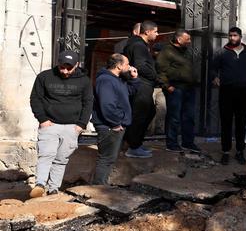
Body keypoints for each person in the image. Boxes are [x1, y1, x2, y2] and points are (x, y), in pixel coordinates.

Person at [28, 50, 93, 197]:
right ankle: (40, 184)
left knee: (61, 159)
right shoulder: (44, 77)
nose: (64, 71)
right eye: (62, 67)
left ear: (76, 65)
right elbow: (35, 99)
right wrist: (42, 119)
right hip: (49, 124)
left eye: (69, 68)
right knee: (46, 154)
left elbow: (88, 102)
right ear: (58, 63)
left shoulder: (84, 80)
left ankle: (54, 189)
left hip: (72, 127)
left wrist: (81, 124)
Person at [212, 27, 246, 165]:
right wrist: (214, 77)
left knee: (241, 123)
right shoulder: (222, 52)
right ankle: (225, 152)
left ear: (240, 37)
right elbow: (213, 68)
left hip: (244, 93)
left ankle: (239, 151)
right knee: (226, 122)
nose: (232, 38)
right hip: (226, 92)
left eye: (235, 35)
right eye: (230, 36)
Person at [92, 53, 138, 185]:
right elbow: (107, 105)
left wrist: (134, 79)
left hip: (114, 124)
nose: (130, 67)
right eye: (127, 64)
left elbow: (129, 92)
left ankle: (101, 186)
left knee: (110, 158)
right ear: (118, 66)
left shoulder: (118, 79)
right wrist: (116, 123)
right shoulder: (106, 80)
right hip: (109, 126)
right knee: (106, 158)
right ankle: (98, 188)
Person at [157, 29, 200, 154]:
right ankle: (172, 143)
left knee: (189, 117)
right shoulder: (166, 52)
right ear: (179, 39)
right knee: (174, 117)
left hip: (189, 89)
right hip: (176, 89)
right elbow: (160, 70)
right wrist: (167, 86)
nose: (190, 42)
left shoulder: (186, 51)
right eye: (188, 39)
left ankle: (188, 142)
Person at [123, 20, 158, 158]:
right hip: (141, 85)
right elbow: (141, 66)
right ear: (147, 32)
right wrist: (155, 76)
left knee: (149, 112)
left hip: (141, 84)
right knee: (140, 115)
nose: (157, 34)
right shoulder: (138, 46)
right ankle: (133, 146)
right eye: (155, 31)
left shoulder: (137, 44)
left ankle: (134, 142)